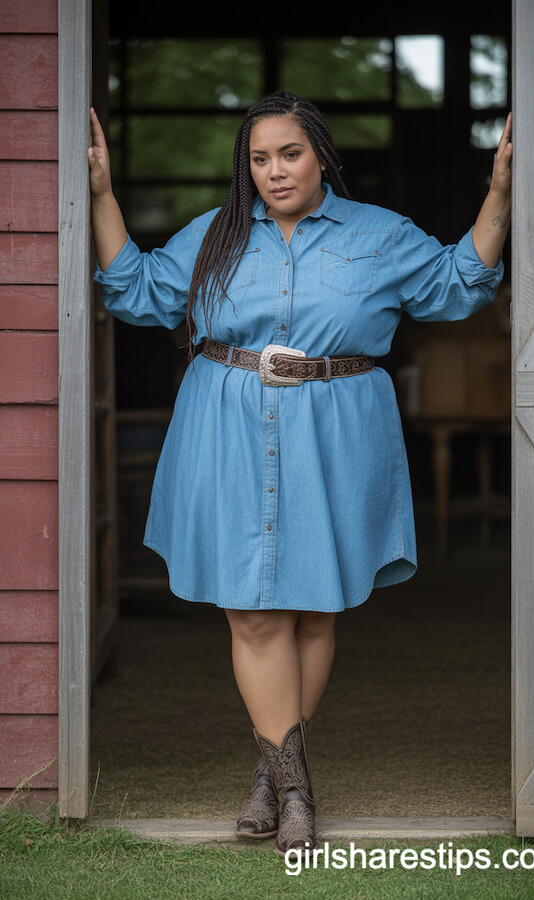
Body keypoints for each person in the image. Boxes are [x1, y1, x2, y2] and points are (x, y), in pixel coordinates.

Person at [89, 91, 512, 857]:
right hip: (227, 426)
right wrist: (101, 195)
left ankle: (268, 772)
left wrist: (500, 195)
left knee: (316, 608)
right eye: (258, 158)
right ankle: (295, 793)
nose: (274, 172)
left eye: (289, 153)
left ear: (321, 154)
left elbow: (458, 284)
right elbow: (138, 291)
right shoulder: (214, 235)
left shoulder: (379, 234)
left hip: (338, 428)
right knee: (253, 612)